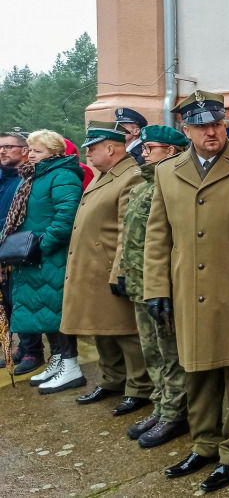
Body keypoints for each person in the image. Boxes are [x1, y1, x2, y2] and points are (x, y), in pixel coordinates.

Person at [144, 91, 229, 492]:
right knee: (196, 372)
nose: (211, 131)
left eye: (216, 123)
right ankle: (204, 444)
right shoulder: (167, 171)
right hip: (186, 289)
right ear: (187, 130)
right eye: (201, 126)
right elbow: (157, 234)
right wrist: (155, 288)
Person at [61, 121, 154, 415]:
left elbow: (130, 229)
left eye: (93, 148)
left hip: (111, 269)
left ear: (111, 148)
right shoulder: (104, 175)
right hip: (92, 269)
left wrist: (120, 269)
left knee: (125, 330)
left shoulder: (131, 176)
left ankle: (139, 387)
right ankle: (113, 379)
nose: (88, 153)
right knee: (101, 329)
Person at [121, 125, 190, 448]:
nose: (143, 152)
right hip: (140, 283)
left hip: (163, 286)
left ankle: (174, 412)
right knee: (152, 352)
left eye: (151, 148)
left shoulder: (173, 185)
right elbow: (131, 239)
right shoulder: (142, 186)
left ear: (172, 151)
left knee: (170, 352)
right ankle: (161, 403)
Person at [1, 130, 84, 393]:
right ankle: (59, 360)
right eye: (30, 150)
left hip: (51, 257)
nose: (31, 154)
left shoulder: (62, 175)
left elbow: (65, 217)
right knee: (45, 311)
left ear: (53, 152)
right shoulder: (36, 176)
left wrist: (41, 246)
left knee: (57, 311)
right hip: (37, 259)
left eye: (36, 150)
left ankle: (70, 365)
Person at [0, 131, 44, 375]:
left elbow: (18, 217)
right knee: (6, 301)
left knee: (21, 301)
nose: (2, 151)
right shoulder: (2, 177)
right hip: (2, 249)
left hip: (16, 248)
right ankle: (20, 349)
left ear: (24, 150)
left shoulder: (26, 178)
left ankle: (32, 352)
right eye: (0, 147)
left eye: (8, 146)